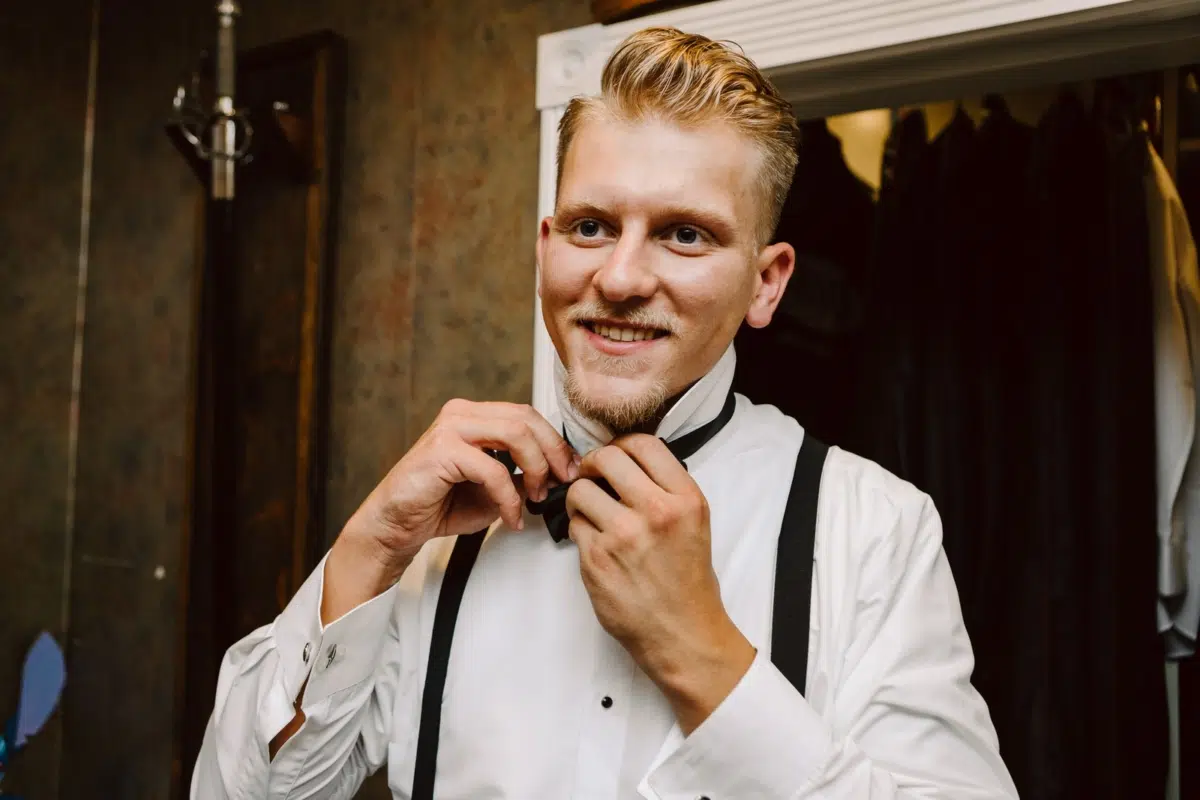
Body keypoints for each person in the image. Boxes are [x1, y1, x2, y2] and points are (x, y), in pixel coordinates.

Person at [191, 26, 1017, 800]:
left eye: (684, 235)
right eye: (591, 226)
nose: (620, 278)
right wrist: (370, 547)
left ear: (766, 284)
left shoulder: (873, 532)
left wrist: (700, 652)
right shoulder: (438, 534)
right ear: (545, 247)